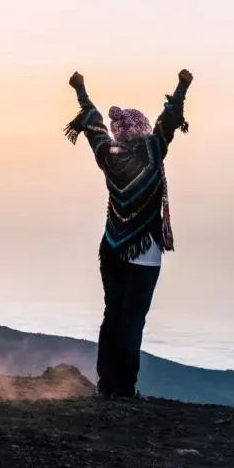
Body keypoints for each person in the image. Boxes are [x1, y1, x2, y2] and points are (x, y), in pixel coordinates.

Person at [63, 68, 193, 399]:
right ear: (143, 130)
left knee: (112, 315)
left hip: (111, 248)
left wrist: (80, 89)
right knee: (133, 321)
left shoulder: (109, 156)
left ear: (120, 133)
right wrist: (182, 85)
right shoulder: (153, 151)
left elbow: (93, 125)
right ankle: (125, 389)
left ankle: (107, 385)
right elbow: (170, 119)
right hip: (144, 253)